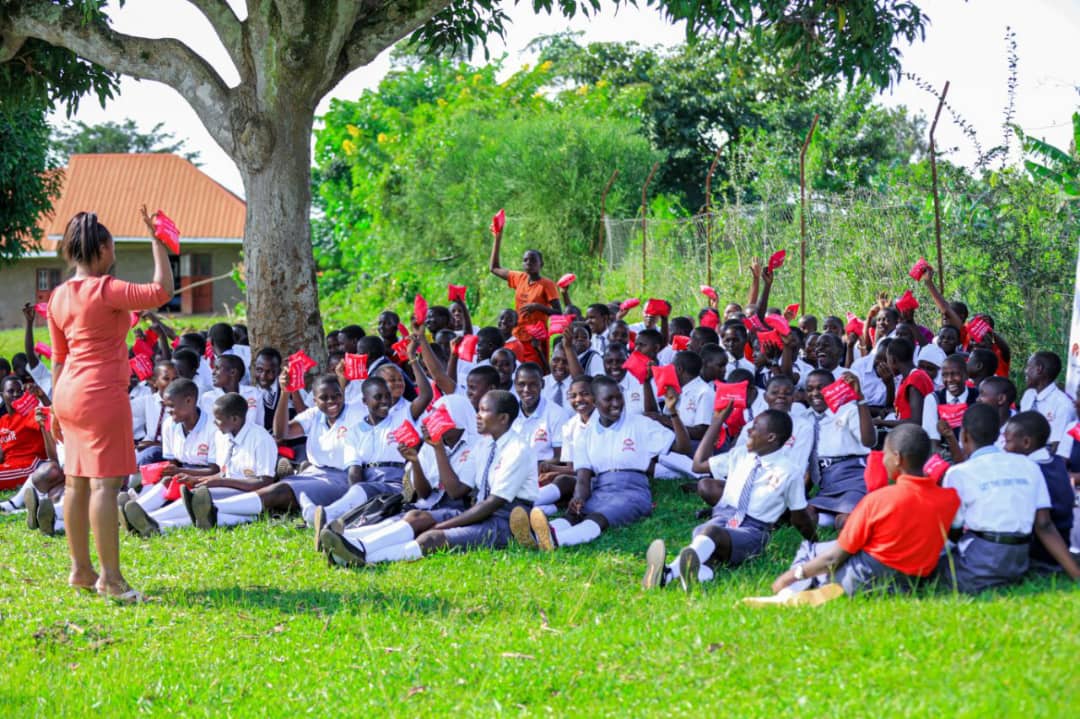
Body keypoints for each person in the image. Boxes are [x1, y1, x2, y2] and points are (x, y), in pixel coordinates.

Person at [45, 209, 173, 601]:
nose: (114, 252)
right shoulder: (107, 288)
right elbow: (162, 290)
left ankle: (81, 571)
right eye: (112, 246)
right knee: (104, 484)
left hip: (68, 393)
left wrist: (53, 408)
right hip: (101, 394)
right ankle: (111, 580)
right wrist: (157, 241)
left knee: (75, 481)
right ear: (101, 249)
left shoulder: (58, 296)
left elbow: (58, 356)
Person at [319, 390, 539, 565]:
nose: (477, 416)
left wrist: (445, 525)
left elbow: (491, 503)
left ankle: (360, 555)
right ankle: (352, 545)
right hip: (475, 510)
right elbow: (434, 492)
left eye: (483, 411)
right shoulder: (485, 444)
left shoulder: (516, 450)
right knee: (417, 520)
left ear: (502, 418)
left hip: (506, 519)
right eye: (477, 410)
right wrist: (421, 458)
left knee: (431, 538)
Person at [767, 424, 960, 600]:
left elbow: (834, 557)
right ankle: (818, 588)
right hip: (909, 584)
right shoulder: (950, 498)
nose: (883, 460)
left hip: (864, 578)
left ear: (897, 458)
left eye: (884, 454)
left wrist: (792, 575)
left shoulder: (879, 500)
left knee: (810, 550)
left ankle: (791, 594)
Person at [645, 410, 816, 593]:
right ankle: (697, 576)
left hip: (752, 530)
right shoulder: (741, 454)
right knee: (707, 545)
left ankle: (668, 572)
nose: (748, 431)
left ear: (771, 437)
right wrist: (717, 421)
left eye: (755, 427)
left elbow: (799, 517)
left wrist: (815, 543)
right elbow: (698, 464)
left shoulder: (789, 472)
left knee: (710, 533)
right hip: (723, 516)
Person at [516, 376, 690, 551]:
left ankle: (553, 540)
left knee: (598, 517)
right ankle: (533, 535)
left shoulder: (641, 424)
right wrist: (578, 498)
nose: (616, 403)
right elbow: (583, 477)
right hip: (600, 488)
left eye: (618, 397)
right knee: (575, 514)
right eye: (609, 399)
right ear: (595, 401)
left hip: (632, 491)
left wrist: (673, 412)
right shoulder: (585, 434)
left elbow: (683, 448)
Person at [186, 373, 365, 529]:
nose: (332, 402)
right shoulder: (314, 415)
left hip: (341, 476)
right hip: (314, 472)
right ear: (315, 400)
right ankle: (215, 516)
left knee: (279, 491)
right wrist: (285, 393)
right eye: (324, 398)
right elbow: (281, 433)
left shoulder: (356, 412)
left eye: (337, 396)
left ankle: (216, 508)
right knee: (274, 496)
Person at [937, 403, 1080, 594]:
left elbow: (953, 530)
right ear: (998, 435)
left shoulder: (958, 473)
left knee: (938, 564)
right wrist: (1076, 575)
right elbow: (1044, 525)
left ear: (964, 436)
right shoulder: (1029, 465)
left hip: (983, 559)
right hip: (1020, 559)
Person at [122, 393, 277, 536]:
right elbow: (224, 472)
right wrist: (195, 478)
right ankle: (144, 519)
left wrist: (220, 482)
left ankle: (149, 520)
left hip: (246, 494)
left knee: (195, 499)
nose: (214, 423)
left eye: (218, 419)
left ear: (235, 419)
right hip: (226, 486)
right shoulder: (222, 436)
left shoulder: (261, 439)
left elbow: (265, 482)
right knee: (185, 489)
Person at [1003, 411, 1077, 572]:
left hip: (1041, 551)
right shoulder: (1056, 462)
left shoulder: (1028, 471)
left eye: (1007, 442)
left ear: (1026, 442)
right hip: (1064, 542)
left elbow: (1043, 524)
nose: (1004, 448)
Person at [802, 369, 875, 529]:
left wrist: (860, 399)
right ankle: (829, 521)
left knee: (844, 521)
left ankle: (844, 523)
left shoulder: (848, 411)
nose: (815, 393)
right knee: (804, 515)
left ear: (833, 388)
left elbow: (870, 441)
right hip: (826, 483)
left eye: (821, 388)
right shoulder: (804, 418)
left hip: (852, 477)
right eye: (809, 389)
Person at [489, 226, 561, 364]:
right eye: (525, 260)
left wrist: (538, 307)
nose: (529, 263)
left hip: (535, 339)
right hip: (517, 335)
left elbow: (558, 312)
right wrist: (497, 238)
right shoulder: (519, 277)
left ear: (541, 264)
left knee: (533, 371)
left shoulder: (547, 284)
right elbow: (494, 268)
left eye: (533, 260)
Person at [1019, 351, 1075, 453]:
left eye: (1029, 367)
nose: (1025, 371)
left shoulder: (1063, 405)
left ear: (1039, 369)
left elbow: (1055, 446)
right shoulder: (1029, 395)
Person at [0, 375, 49, 492]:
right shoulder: (3, 421)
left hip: (30, 466)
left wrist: (42, 396)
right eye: (11, 391)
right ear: (2, 395)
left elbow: (53, 417)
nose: (16, 394)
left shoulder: (29, 414)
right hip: (9, 466)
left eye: (19, 391)